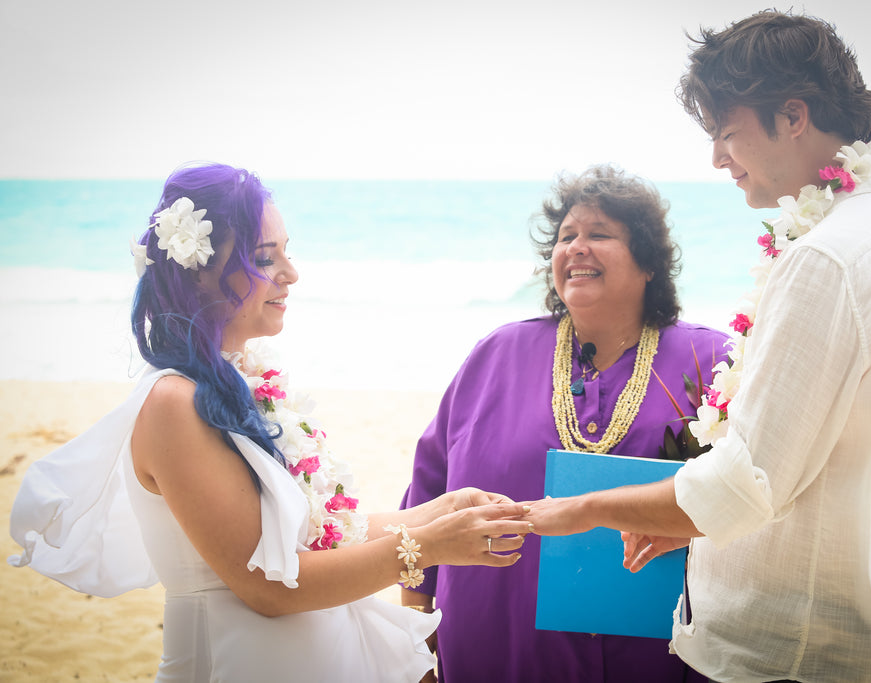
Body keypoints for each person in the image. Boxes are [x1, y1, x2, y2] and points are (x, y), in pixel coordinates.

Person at [525, 11, 871, 682]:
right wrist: (690, 520)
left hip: (791, 651)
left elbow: (749, 477)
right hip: (846, 615)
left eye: (726, 133)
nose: (718, 158)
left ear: (793, 115)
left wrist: (583, 508)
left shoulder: (827, 258)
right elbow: (805, 460)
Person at [8, 163, 533, 682]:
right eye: (266, 258)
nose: (291, 273)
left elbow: (321, 537)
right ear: (200, 271)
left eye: (287, 251)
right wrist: (432, 548)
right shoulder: (172, 402)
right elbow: (268, 589)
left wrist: (438, 511)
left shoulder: (242, 382)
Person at [399, 164, 728, 682]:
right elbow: (424, 499)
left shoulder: (711, 360)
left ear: (648, 263)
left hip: (657, 654)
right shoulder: (497, 355)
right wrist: (411, 639)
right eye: (565, 236)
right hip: (496, 648)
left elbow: (760, 493)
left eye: (599, 234)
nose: (576, 247)